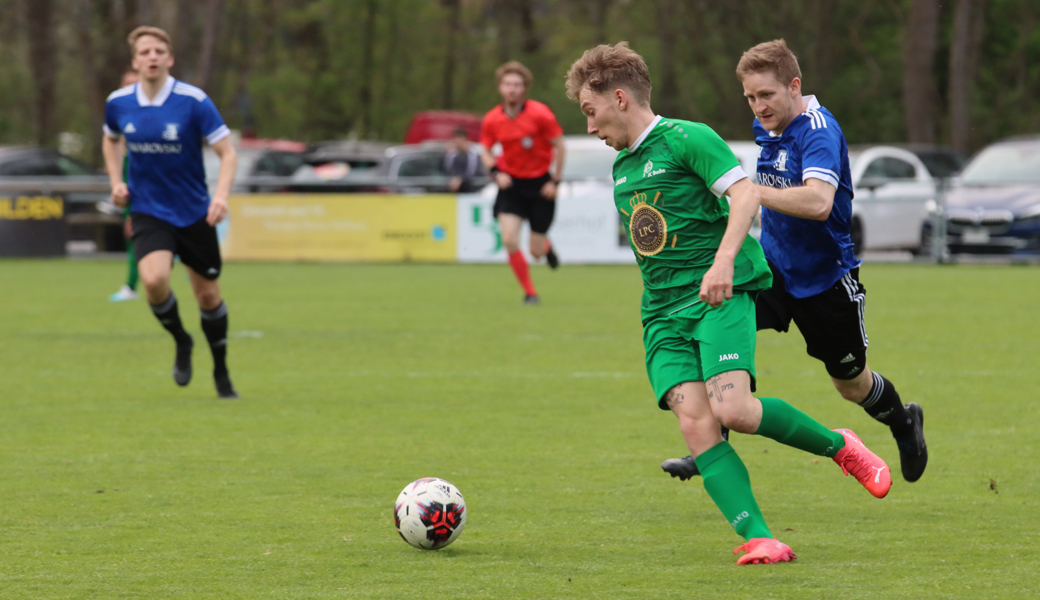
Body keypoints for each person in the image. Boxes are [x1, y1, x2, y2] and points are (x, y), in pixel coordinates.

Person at [566, 42, 892, 565]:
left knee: (733, 411)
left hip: (718, 296)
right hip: (662, 314)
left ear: (620, 98)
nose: (589, 127)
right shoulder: (623, 166)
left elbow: (743, 194)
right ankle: (762, 537)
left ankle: (841, 446)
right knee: (696, 424)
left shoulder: (687, 139)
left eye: (590, 111)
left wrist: (722, 262)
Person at [661, 39, 927, 484]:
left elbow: (820, 202)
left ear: (794, 86)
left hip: (825, 281)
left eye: (766, 94)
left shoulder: (819, 129)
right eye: (750, 96)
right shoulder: (766, 125)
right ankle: (712, 444)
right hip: (769, 271)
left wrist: (748, 191)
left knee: (851, 384)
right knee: (713, 326)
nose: (758, 106)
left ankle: (903, 421)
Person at [102, 26, 240, 399]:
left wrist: (221, 197)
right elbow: (110, 137)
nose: (151, 56)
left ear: (170, 58)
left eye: (158, 51)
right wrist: (116, 180)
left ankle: (222, 372)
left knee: (208, 297)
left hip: (195, 211)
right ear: (135, 61)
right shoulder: (118, 102)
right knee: (153, 281)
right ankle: (181, 340)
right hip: (149, 210)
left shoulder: (193, 101)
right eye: (144, 51)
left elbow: (228, 154)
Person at [478, 61, 565, 304]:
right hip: (512, 187)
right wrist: (496, 172)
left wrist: (555, 181)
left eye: (517, 84)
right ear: (500, 88)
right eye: (507, 84)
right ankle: (530, 292)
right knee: (509, 240)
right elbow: (484, 150)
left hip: (541, 186)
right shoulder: (492, 119)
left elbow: (560, 145)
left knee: (535, 252)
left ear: (525, 88)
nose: (512, 89)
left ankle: (545, 248)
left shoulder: (541, 114)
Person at [109, 67, 142, 302]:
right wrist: (117, 182)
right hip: (129, 185)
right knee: (133, 234)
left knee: (136, 233)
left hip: (148, 186)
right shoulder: (119, 114)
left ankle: (131, 287)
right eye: (126, 85)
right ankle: (131, 285)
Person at [444, 128, 481, 193]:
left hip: (469, 189)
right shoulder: (451, 154)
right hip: (452, 190)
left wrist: (460, 179)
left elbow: (473, 172)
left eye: (461, 139)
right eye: (457, 139)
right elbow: (446, 170)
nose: (459, 142)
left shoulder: (473, 154)